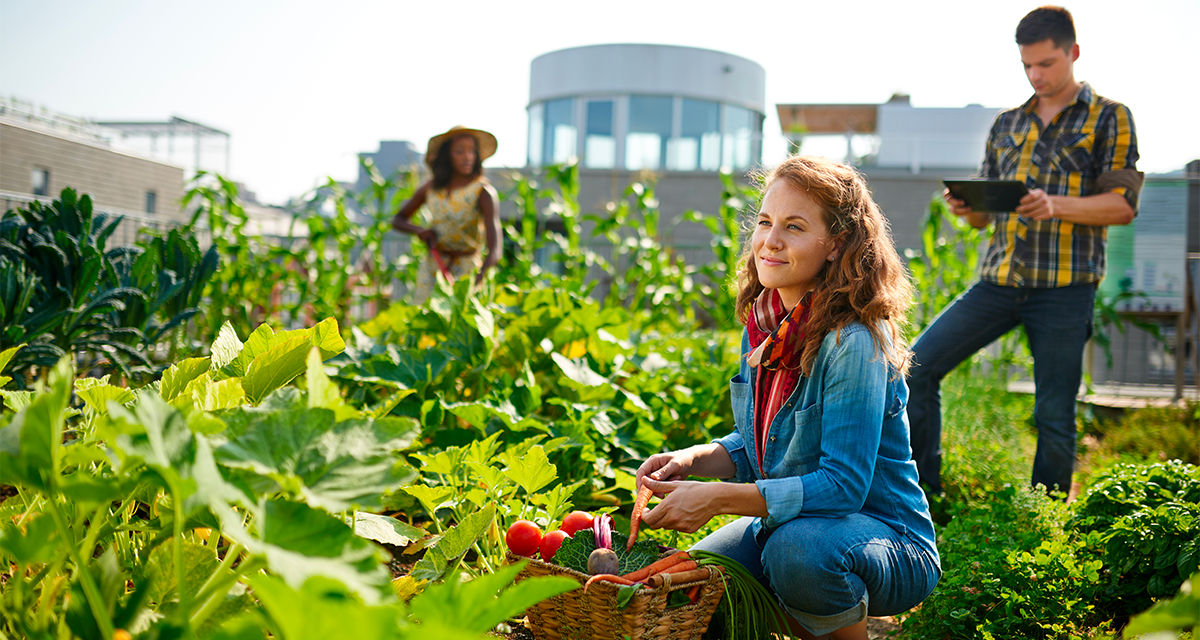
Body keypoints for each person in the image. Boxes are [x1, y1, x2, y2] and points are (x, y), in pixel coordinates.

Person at [635, 156, 940, 640]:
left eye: (794, 227)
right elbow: (759, 444)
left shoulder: (854, 341)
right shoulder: (764, 327)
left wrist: (718, 500)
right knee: (698, 585)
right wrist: (693, 460)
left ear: (835, 244)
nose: (769, 241)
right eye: (764, 222)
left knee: (795, 556)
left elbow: (842, 487)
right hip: (788, 524)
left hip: (885, 538)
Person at [907, 6, 1142, 497]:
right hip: (998, 283)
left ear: (1073, 53)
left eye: (1047, 64)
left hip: (1064, 290)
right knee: (915, 368)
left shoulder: (1110, 117)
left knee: (1054, 414)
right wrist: (966, 207)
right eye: (1027, 66)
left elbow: (1121, 206)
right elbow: (983, 217)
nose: (1037, 75)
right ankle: (923, 499)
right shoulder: (1007, 124)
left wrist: (1054, 205)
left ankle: (1045, 520)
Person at [391, 126, 501, 302]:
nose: (467, 157)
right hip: (433, 266)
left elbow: (495, 250)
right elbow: (398, 219)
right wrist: (420, 231)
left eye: (472, 151)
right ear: (447, 156)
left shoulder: (482, 192)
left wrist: (478, 280)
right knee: (424, 319)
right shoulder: (431, 189)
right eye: (459, 151)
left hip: (467, 270)